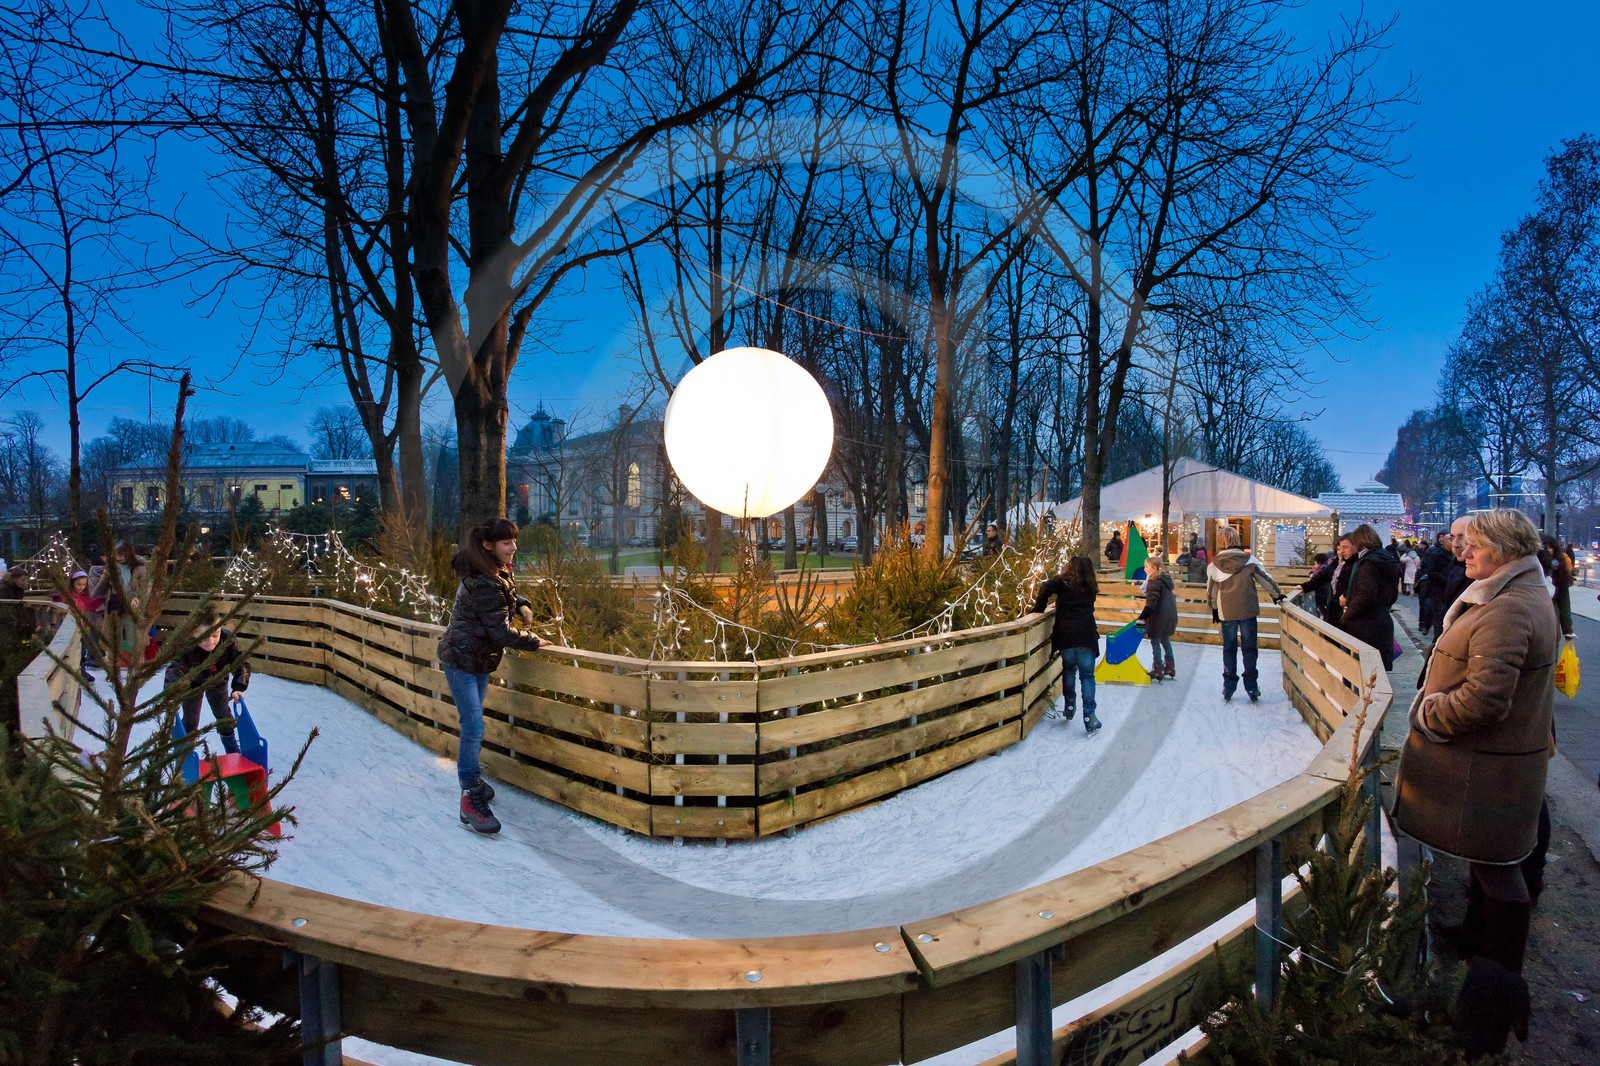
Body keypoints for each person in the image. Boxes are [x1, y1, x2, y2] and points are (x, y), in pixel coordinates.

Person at [1391, 509, 1558, 1057]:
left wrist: (1426, 713)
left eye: (1474, 545)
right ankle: (1480, 950)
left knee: (1501, 873)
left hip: (1487, 768)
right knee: (1494, 865)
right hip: (1496, 764)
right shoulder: (1517, 593)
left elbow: (1485, 699)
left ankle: (1491, 1011)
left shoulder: (1509, 607)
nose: (1463, 552)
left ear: (1504, 549)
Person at [437, 517, 545, 834]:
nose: (514, 548)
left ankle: (472, 780)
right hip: (460, 659)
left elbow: (504, 595)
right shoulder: (484, 579)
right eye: (506, 542)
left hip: (479, 659)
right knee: (473, 725)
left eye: (514, 541)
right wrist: (534, 641)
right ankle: (469, 796)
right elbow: (500, 633)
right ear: (488, 545)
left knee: (474, 723)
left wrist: (521, 603)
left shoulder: (495, 569)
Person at [1206, 526, 1284, 703]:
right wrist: (1276, 594)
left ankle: (1229, 685)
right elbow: (1265, 578)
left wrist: (1214, 608)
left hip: (1227, 612)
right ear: (1237, 539)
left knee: (1229, 648)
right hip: (1247, 610)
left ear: (1220, 541)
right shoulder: (1250, 560)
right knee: (1249, 649)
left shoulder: (1214, 564)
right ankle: (1251, 685)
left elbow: (1211, 590)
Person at [1031, 556, 1103, 734]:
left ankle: (1069, 706)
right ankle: (1090, 716)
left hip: (1066, 636)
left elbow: (1046, 586)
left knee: (1069, 670)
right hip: (1086, 636)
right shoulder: (1091, 586)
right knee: (1087, 677)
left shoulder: (1062, 584)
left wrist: (1038, 609)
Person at [165, 610, 251, 755]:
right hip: (192, 683)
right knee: (190, 720)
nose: (210, 641)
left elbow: (240, 662)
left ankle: (231, 748)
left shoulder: (227, 639)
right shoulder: (186, 644)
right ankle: (185, 754)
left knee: (223, 714)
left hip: (217, 680)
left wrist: (239, 686)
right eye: (204, 637)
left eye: (215, 635)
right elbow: (174, 669)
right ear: (193, 633)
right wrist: (172, 693)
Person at [1335, 524, 1401, 669]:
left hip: (1364, 627)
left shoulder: (1367, 563)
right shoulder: (1387, 559)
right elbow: (1393, 594)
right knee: (1376, 672)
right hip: (1381, 621)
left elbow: (1365, 595)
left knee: (1362, 672)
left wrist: (1346, 616)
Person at [93, 542, 148, 671]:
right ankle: (112, 668)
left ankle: (138, 666)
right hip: (115, 606)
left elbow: (146, 587)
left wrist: (139, 598)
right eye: (117, 555)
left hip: (132, 608)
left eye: (122, 554)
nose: (120, 557)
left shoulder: (140, 567)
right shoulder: (112, 568)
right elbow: (101, 586)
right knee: (112, 637)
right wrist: (93, 600)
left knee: (134, 638)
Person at [1136, 555, 1178, 680]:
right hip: (1170, 615)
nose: (1144, 569)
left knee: (1155, 641)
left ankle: (1158, 668)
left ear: (1154, 569)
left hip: (1160, 616)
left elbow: (1151, 602)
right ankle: (1170, 666)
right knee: (1165, 640)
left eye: (1146, 566)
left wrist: (1143, 617)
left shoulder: (1153, 582)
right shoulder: (1164, 580)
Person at [1300, 537, 1354, 624]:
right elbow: (1321, 576)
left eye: (1345, 548)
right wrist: (1305, 586)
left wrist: (1345, 596)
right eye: (1338, 549)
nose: (1341, 552)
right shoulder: (1336, 563)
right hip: (1335, 605)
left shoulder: (1353, 565)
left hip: (1346, 607)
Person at [1415, 531, 1455, 637]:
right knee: (1435, 611)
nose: (1453, 542)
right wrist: (1444, 580)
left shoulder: (1456, 556)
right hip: (1437, 588)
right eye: (1450, 540)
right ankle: (1434, 634)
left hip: (1450, 588)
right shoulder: (1435, 554)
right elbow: (1431, 571)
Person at [1542, 534, 1575, 639]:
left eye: (1550, 547)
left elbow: (1564, 601)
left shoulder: (1560, 568)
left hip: (1551, 611)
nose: (1547, 551)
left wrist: (1568, 629)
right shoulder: (1532, 568)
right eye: (1545, 548)